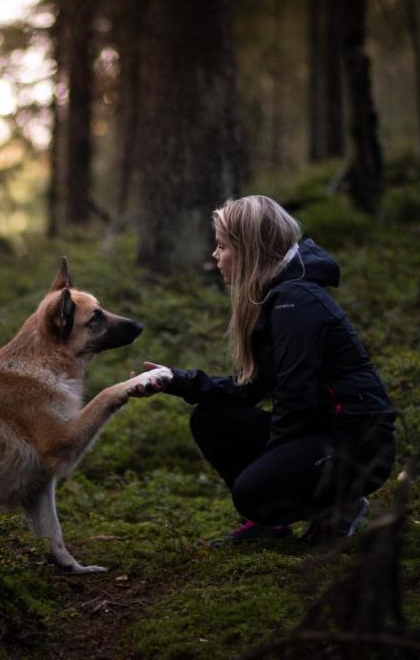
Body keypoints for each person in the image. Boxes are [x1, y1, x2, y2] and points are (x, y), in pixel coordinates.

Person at [136, 195, 396, 545]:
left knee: (253, 492)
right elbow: (249, 389)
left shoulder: (295, 301)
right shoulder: (277, 297)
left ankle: (338, 510)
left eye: (222, 246)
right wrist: (177, 380)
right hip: (324, 436)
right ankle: (273, 523)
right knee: (211, 419)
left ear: (248, 249)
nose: (215, 256)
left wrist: (272, 476)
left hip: (359, 447)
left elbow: (295, 400)